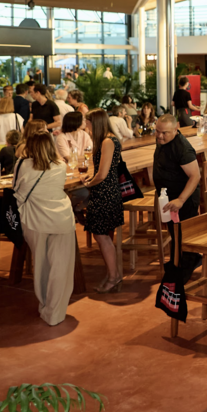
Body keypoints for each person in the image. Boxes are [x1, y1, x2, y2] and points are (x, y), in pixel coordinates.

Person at [14, 131, 75, 326]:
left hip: (35, 220)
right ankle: (55, 313)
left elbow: (17, 191)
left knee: (41, 266)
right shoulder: (61, 166)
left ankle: (44, 305)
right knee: (61, 268)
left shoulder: (22, 165)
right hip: (61, 218)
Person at [153, 114, 202, 277]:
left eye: (164, 133)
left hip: (184, 198)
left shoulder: (183, 148)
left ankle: (184, 270)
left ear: (176, 129)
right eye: (157, 131)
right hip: (168, 196)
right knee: (174, 233)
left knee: (184, 235)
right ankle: (180, 262)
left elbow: (195, 176)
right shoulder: (162, 140)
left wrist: (181, 199)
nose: (160, 136)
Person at [82, 109, 125, 294]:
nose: (86, 127)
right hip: (108, 191)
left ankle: (114, 276)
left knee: (102, 236)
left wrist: (90, 182)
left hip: (105, 193)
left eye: (88, 123)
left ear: (95, 123)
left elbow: (103, 173)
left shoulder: (107, 141)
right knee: (102, 236)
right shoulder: (108, 139)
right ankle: (113, 274)